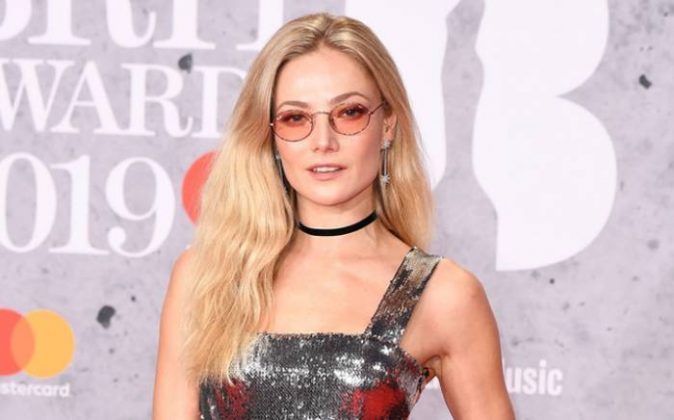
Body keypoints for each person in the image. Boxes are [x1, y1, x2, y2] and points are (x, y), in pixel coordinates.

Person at [153, 12, 515, 420]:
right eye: (295, 118)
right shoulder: (205, 276)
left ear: (387, 125)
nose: (323, 141)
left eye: (349, 112)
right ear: (270, 134)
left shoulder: (445, 295)